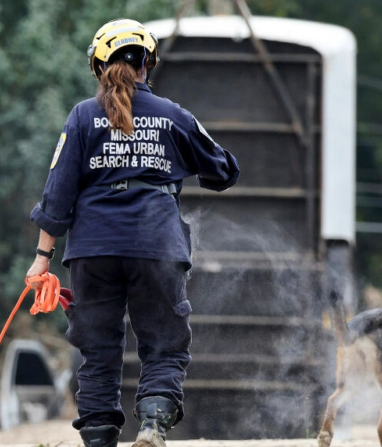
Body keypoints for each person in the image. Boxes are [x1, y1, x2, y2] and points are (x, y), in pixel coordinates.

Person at [26, 18, 240, 447]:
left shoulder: (83, 116)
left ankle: (100, 439)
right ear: (148, 64)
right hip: (156, 246)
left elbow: (57, 194)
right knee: (163, 343)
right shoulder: (173, 114)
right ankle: (152, 426)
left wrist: (42, 257)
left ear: (99, 66)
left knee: (98, 351)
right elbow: (224, 171)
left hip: (92, 250)